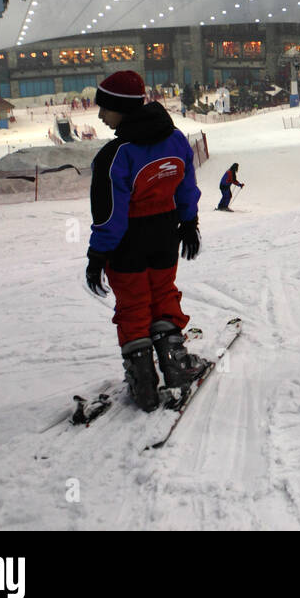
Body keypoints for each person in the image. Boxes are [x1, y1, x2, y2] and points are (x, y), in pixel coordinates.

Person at [86, 70, 207, 412]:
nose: (99, 116)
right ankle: (175, 364)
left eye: (104, 109)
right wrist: (188, 222)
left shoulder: (116, 154)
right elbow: (186, 184)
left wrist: (97, 256)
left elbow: (110, 214)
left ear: (120, 109)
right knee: (163, 293)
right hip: (165, 234)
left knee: (134, 305)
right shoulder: (175, 139)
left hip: (127, 244)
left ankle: (143, 383)